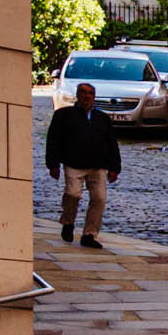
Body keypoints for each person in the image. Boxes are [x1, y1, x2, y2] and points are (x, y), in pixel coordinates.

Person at [46, 82, 121, 249]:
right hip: (73, 163)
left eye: (89, 93)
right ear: (78, 96)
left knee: (99, 198)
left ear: (94, 97)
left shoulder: (102, 119)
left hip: (98, 165)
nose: (86, 96)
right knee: (72, 194)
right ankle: (68, 221)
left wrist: (114, 168)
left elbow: (111, 143)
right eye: (83, 93)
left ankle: (89, 234)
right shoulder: (64, 115)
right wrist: (53, 164)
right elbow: (53, 140)